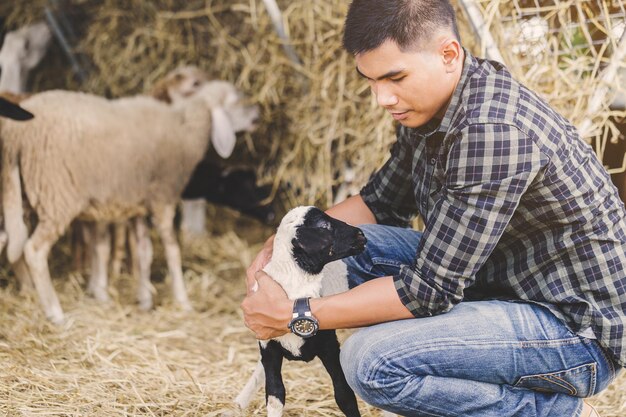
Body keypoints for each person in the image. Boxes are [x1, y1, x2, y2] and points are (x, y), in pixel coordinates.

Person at [240, 0, 625, 415]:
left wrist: (298, 315)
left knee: (370, 363)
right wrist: (276, 253)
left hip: (574, 330)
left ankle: (552, 411)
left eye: (395, 77)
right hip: (497, 281)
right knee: (340, 255)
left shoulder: (491, 133)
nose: (382, 98)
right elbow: (379, 204)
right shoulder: (430, 106)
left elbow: (429, 291)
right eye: (370, 80)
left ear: (448, 54)